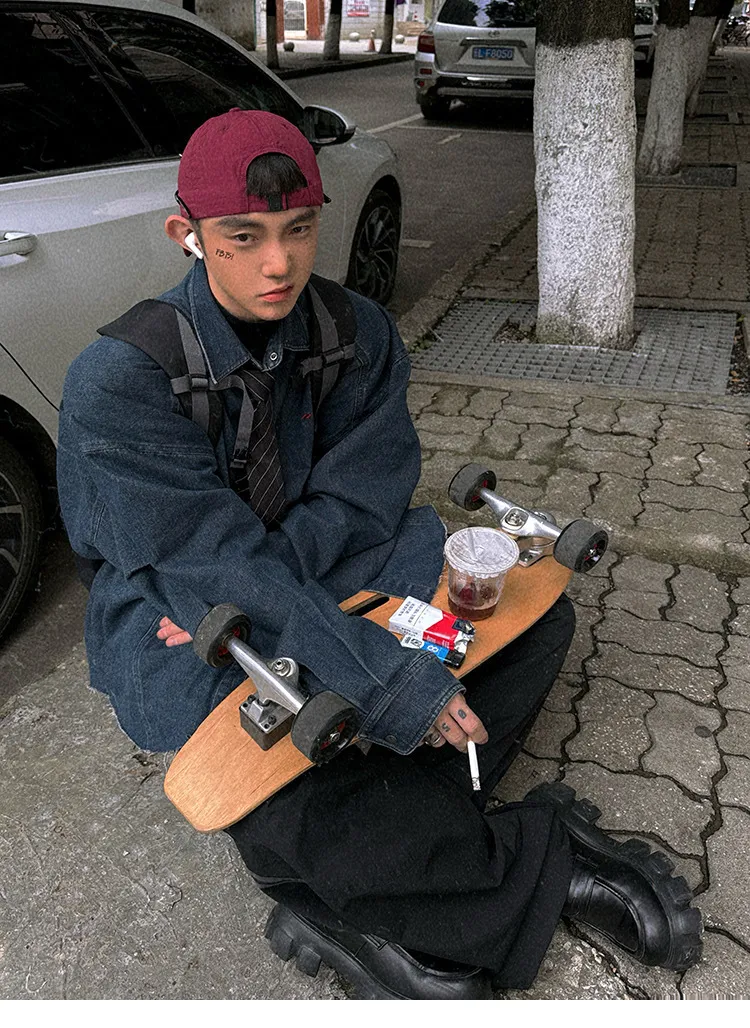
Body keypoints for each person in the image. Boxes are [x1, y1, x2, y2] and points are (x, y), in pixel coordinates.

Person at [57, 109, 702, 999]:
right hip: (177, 609)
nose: (279, 263)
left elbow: (363, 499)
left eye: (298, 230)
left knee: (529, 628)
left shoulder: (355, 329)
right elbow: (199, 558)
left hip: (312, 570)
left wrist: (302, 602)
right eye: (243, 237)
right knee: (273, 780)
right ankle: (538, 856)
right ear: (188, 234)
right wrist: (381, 681)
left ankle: (380, 880)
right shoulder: (118, 381)